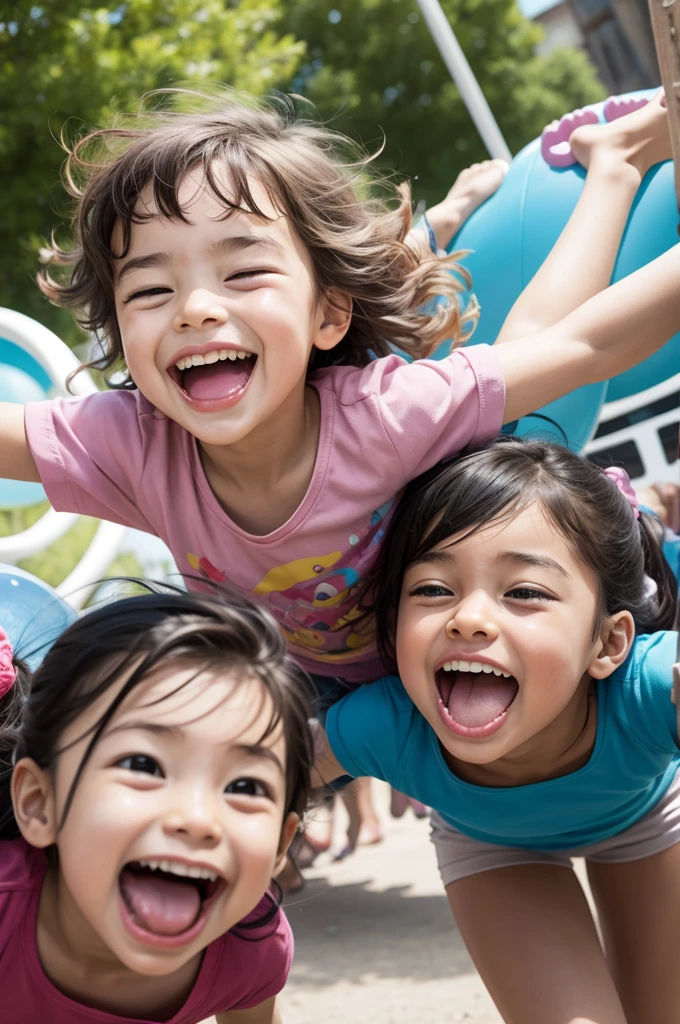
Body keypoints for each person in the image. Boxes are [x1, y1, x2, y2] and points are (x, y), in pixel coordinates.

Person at [0, 89, 675, 859]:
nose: (191, 309)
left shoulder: (381, 417)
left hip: (459, 579)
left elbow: (587, 348)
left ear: (327, 315)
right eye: (150, 290)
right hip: (329, 679)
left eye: (242, 273)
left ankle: (614, 169)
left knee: (535, 371)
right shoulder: (134, 447)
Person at [315, 436, 679, 1024]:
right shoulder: (384, 726)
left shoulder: (653, 686)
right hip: (493, 847)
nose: (470, 619)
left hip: (647, 819)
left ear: (609, 642)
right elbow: (271, 769)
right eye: (433, 589)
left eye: (524, 592)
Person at [0, 584, 314, 1023]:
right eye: (143, 764)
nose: (198, 819)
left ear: (281, 845)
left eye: (246, 787)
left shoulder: (249, 948)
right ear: (39, 803)